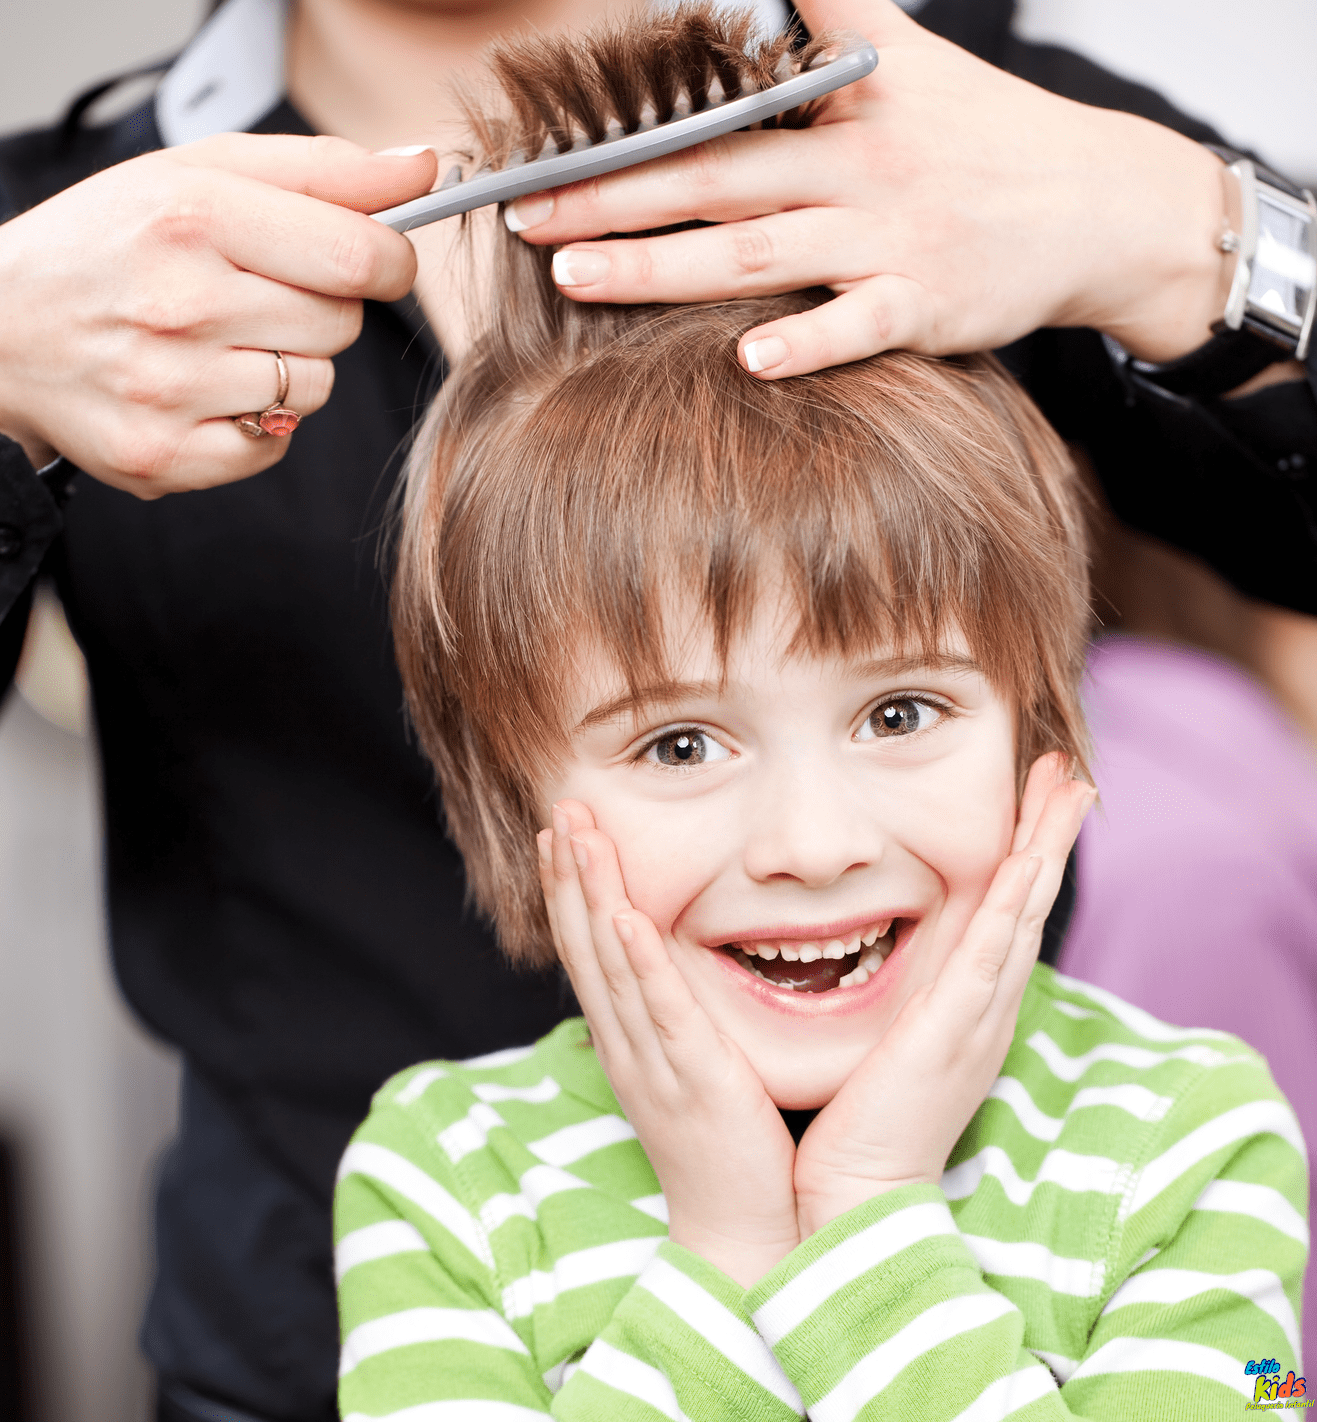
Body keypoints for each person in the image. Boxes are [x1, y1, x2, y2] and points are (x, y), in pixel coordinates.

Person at [0, 0, 1313, 1417]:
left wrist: (1182, 229)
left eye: (900, 711)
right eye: (678, 741)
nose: (810, 841)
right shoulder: (48, 237)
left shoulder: (960, 118)